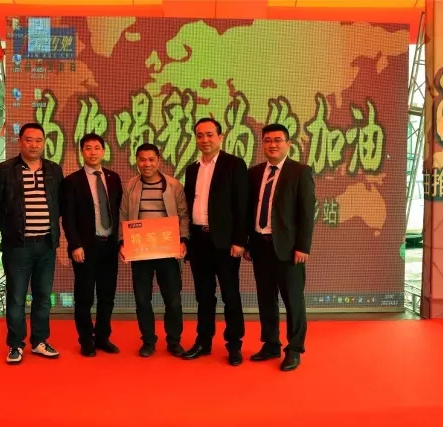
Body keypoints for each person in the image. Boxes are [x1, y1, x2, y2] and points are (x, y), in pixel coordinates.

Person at [0, 122, 64, 364]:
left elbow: (59, 203)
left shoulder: (53, 170)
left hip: (46, 245)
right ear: (20, 141)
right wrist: (10, 230)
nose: (33, 145)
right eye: (28, 140)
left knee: (43, 296)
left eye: (38, 140)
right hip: (18, 246)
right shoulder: (5, 169)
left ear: (44, 143)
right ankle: (15, 344)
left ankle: (39, 341)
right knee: (17, 298)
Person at [244, 123, 316, 372]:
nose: (272, 144)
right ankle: (271, 344)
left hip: (289, 249)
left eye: (277, 140)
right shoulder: (254, 173)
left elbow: (307, 213)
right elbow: (248, 211)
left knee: (293, 300)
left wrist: (303, 246)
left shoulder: (300, 172)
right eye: (267, 140)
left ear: (288, 144)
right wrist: (247, 242)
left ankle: (294, 349)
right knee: (266, 299)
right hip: (260, 246)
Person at [181, 118, 249, 366]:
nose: (205, 140)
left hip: (225, 243)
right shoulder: (192, 169)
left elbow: (242, 205)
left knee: (230, 294)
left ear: (221, 137)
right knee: (204, 295)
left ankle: (234, 345)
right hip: (199, 240)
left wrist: (240, 240)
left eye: (210, 134)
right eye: (200, 135)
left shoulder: (234, 164)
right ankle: (203, 342)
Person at [119, 143, 188, 358]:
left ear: (158, 160)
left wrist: (183, 240)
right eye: (142, 159)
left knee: (173, 300)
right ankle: (148, 341)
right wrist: (122, 243)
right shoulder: (130, 186)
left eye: (151, 159)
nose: (146, 164)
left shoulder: (174, 185)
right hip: (140, 251)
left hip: (168, 250)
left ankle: (174, 341)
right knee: (142, 299)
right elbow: (123, 216)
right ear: (137, 161)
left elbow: (183, 215)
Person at [61, 133, 123, 357]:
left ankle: (103, 337)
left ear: (104, 151)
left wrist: (122, 242)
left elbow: (120, 212)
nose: (93, 152)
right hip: (85, 248)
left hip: (110, 246)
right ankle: (86, 340)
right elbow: (68, 217)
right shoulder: (72, 181)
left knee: (107, 296)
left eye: (97, 147)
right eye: (88, 148)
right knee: (84, 297)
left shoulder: (113, 178)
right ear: (82, 152)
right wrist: (75, 245)